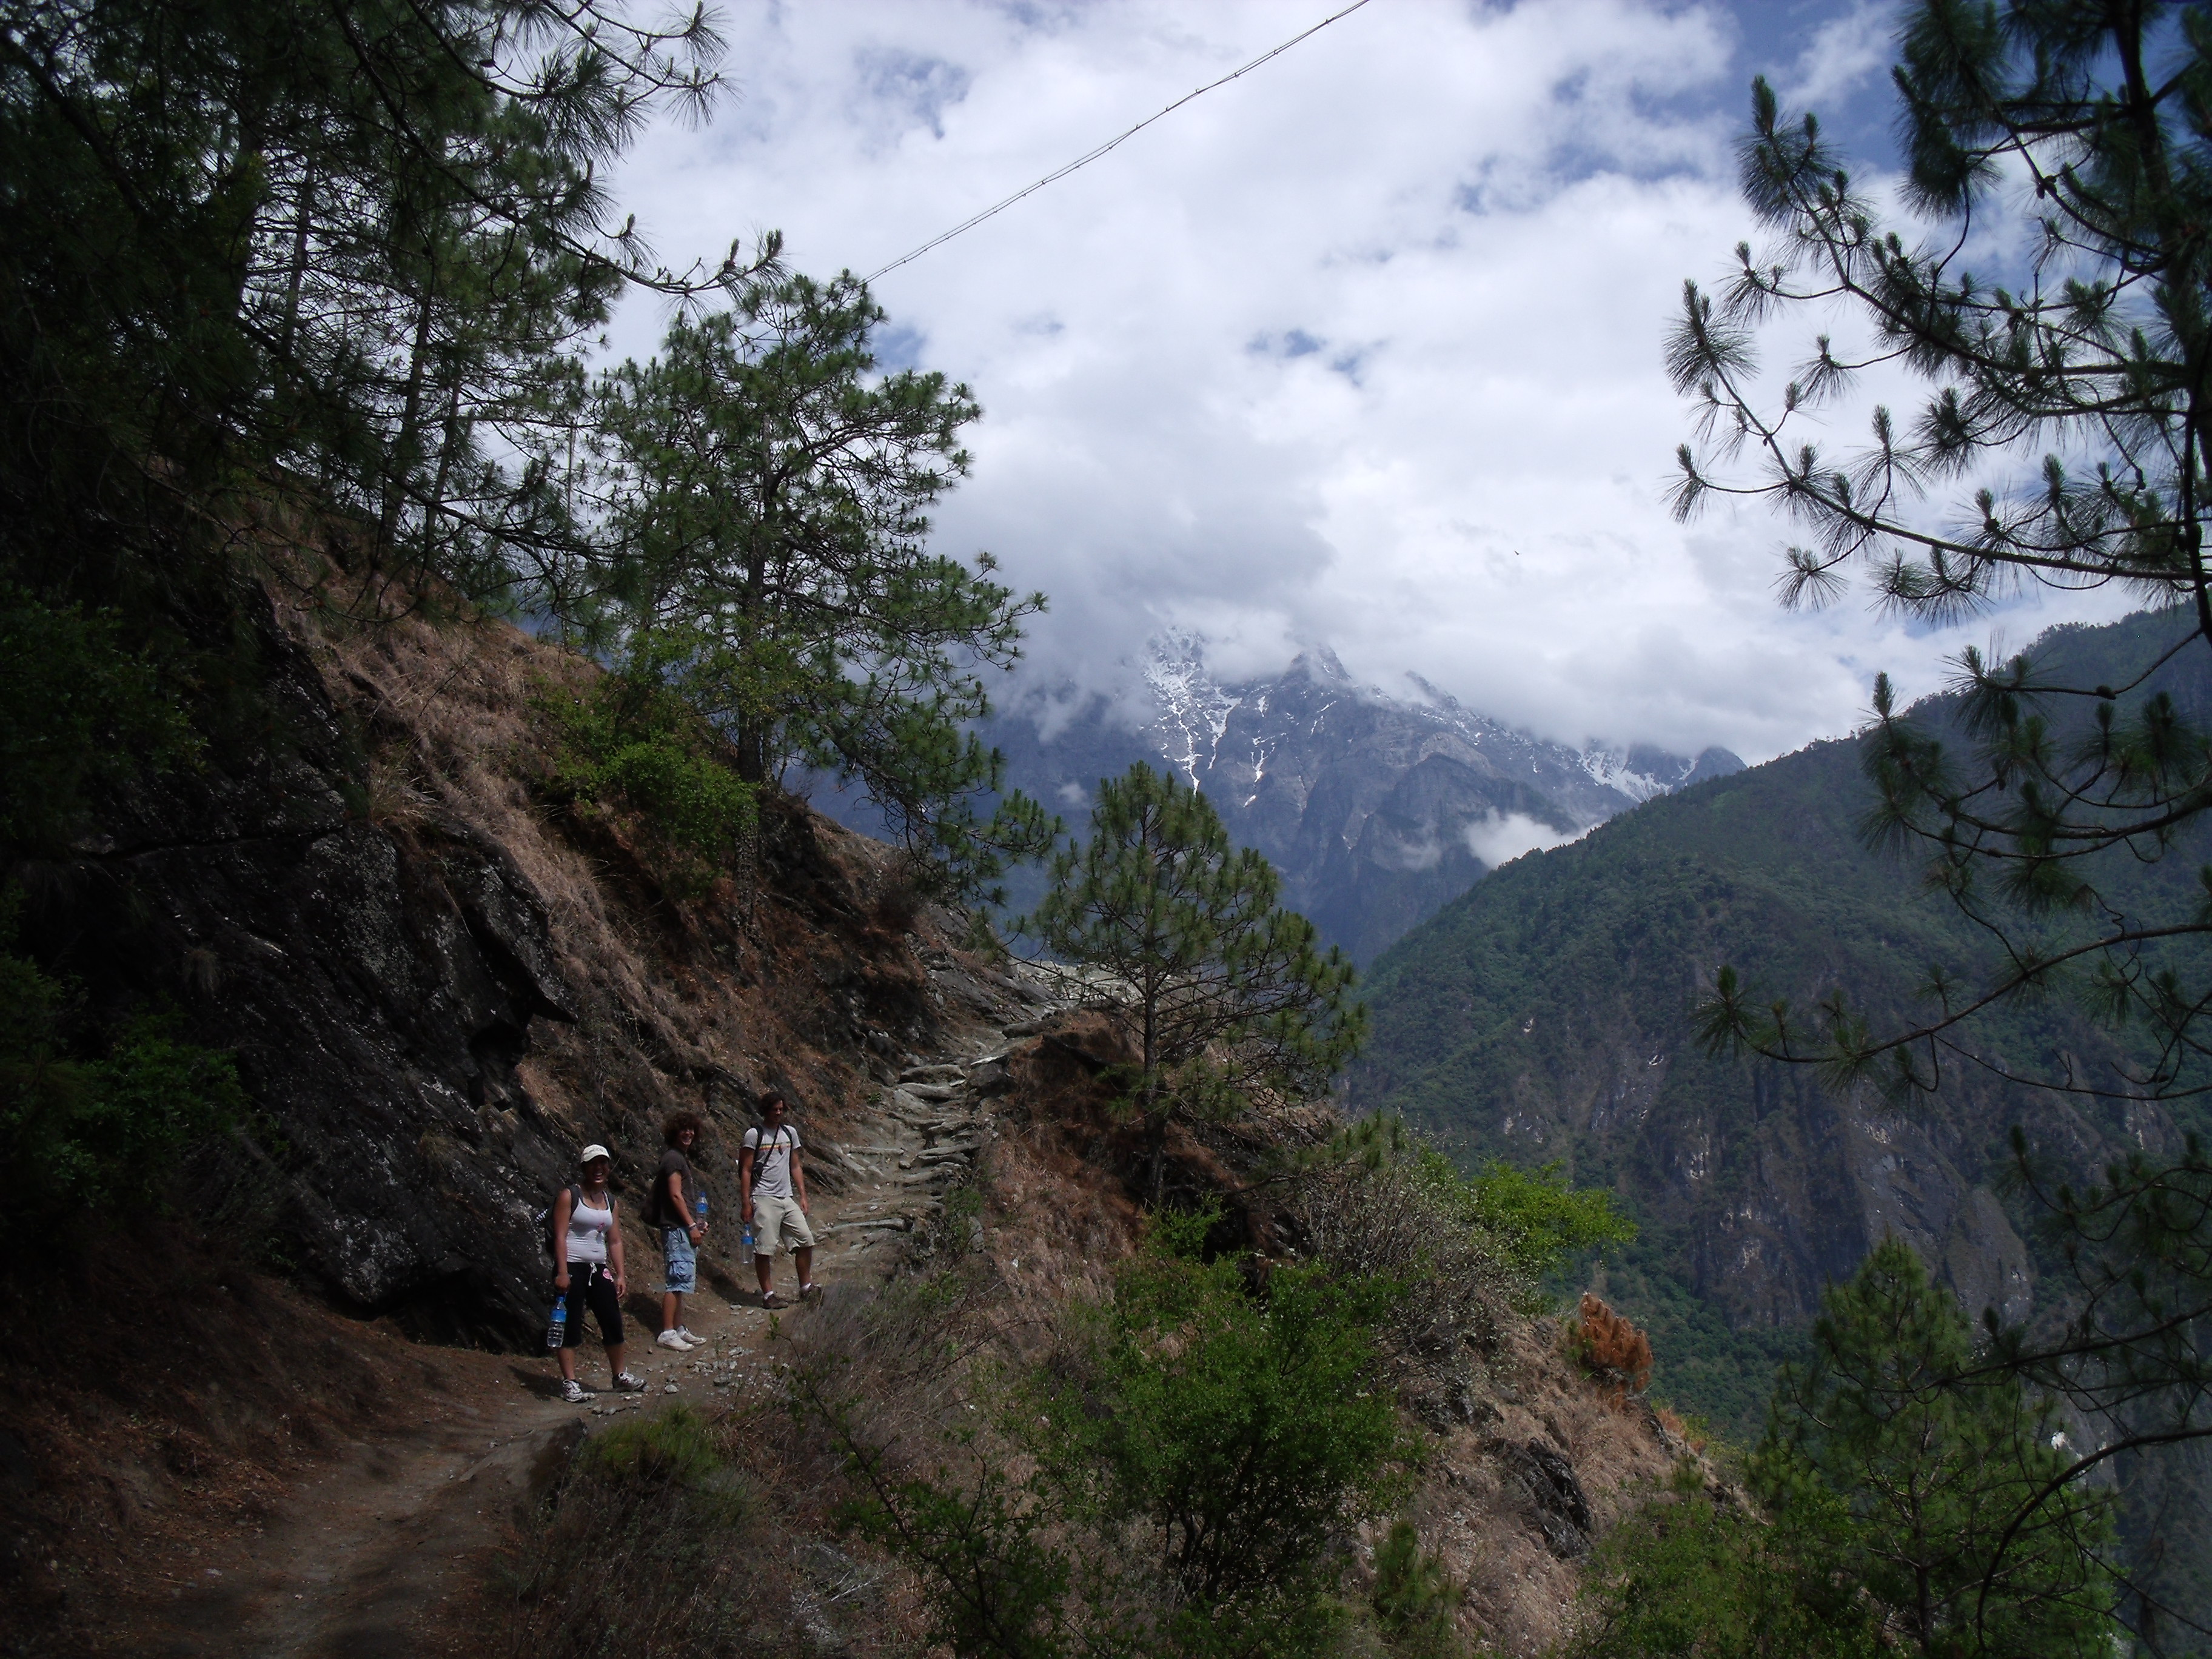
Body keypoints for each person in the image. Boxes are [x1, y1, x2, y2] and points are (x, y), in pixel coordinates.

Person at [552, 1144, 645, 1403]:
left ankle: (619, 1375)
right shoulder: (569, 1196)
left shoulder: (610, 1201)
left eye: (603, 1163)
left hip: (598, 1267)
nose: (599, 1169)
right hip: (572, 1265)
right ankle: (570, 1382)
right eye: (593, 1163)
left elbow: (614, 1240)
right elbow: (560, 1236)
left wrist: (621, 1274)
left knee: (612, 1319)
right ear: (584, 1167)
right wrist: (562, 1272)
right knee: (570, 1322)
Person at [739, 1093, 815, 1307]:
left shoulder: (790, 1133)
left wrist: (803, 1195)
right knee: (765, 1248)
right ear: (766, 1110)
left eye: (781, 1109)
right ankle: (768, 1295)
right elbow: (745, 1169)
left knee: (806, 1239)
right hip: (763, 1196)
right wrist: (746, 1203)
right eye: (775, 1109)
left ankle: (806, 1287)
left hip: (786, 1196)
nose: (779, 1113)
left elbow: (795, 1165)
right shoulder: (754, 1135)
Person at [651, 1111, 707, 1351]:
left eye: (691, 1129)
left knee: (682, 1279)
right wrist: (691, 1225)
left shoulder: (679, 1158)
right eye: (683, 1129)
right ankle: (667, 1332)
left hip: (681, 1226)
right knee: (676, 1280)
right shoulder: (674, 1159)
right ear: (674, 1132)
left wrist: (696, 1222)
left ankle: (678, 1328)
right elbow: (675, 1195)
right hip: (676, 1228)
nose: (688, 1133)